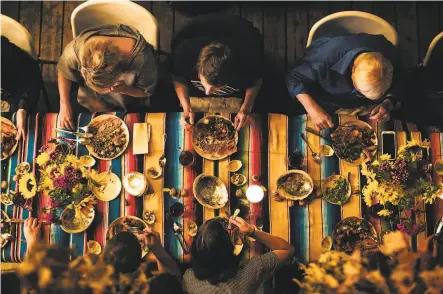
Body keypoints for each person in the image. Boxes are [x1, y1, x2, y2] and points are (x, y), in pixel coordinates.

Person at [285, 33, 405, 131]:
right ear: (353, 69)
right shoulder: (325, 59)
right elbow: (292, 78)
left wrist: (388, 101)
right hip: (324, 98)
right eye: (361, 91)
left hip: (354, 105)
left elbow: (402, 76)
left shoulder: (386, 50)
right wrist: (313, 110)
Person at [167, 14, 264, 130]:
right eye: (204, 82)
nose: (207, 92)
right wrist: (186, 107)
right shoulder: (184, 53)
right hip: (193, 93)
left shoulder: (249, 60)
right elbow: (178, 77)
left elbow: (255, 81)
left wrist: (246, 109)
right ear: (199, 66)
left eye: (215, 87)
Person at [57, 24, 158, 129]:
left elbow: (146, 91)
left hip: (130, 102)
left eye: (107, 87)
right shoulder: (76, 49)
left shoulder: (144, 60)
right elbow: (63, 70)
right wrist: (64, 104)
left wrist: (126, 89)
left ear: (118, 71)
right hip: (92, 101)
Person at [183, 216, 295, 294]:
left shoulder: (189, 279)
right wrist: (252, 232)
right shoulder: (251, 270)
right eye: (235, 238)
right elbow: (287, 250)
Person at [1, 36, 43, 141]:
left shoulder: (7, 51)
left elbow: (33, 76)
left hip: (18, 89)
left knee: (23, 130)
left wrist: (22, 107)